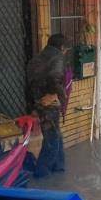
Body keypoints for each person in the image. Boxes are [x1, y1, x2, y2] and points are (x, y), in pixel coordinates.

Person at [26, 34, 67, 178]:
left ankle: (59, 166)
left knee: (56, 134)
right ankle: (41, 172)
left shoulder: (35, 59)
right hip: (49, 103)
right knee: (52, 138)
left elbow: (30, 83)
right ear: (62, 48)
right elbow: (55, 78)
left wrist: (34, 103)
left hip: (38, 101)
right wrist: (59, 95)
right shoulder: (57, 58)